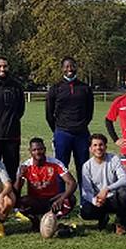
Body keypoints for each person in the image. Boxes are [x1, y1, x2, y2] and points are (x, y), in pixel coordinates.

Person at [45, 57, 94, 187]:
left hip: (81, 134)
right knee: (61, 168)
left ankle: (86, 202)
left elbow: (90, 112)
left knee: (84, 169)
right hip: (62, 133)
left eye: (72, 66)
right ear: (62, 69)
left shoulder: (85, 88)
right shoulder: (55, 88)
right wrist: (57, 129)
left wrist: (81, 125)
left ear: (76, 67)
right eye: (66, 66)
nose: (69, 69)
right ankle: (61, 202)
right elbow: (49, 114)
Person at [14, 138, 77, 230]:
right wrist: (19, 176)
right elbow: (16, 191)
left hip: (52, 200)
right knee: (19, 201)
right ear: (30, 152)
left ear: (45, 149)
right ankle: (35, 221)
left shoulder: (55, 163)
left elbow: (72, 183)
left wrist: (61, 199)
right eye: (34, 150)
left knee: (71, 199)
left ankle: (54, 219)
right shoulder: (26, 166)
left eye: (40, 149)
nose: (38, 152)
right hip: (36, 201)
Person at [80, 134, 126, 235]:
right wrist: (95, 200)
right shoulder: (86, 166)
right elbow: (85, 191)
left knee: (124, 192)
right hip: (99, 199)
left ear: (105, 147)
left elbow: (124, 179)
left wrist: (107, 189)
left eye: (101, 145)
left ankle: (120, 222)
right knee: (85, 212)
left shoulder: (114, 159)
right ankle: (102, 217)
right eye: (95, 145)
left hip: (113, 198)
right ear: (90, 149)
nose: (98, 148)